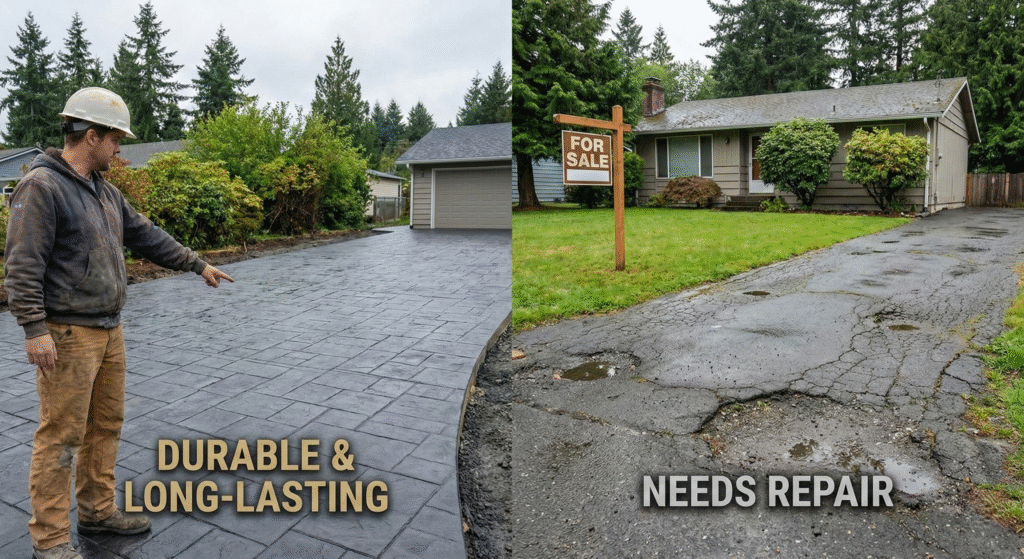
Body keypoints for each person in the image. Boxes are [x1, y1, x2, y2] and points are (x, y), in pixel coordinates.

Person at [4, 87, 235, 559]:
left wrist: (196, 264)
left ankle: (97, 510)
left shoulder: (105, 192)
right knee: (61, 436)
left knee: (105, 424)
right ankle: (50, 540)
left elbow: (146, 234)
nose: (119, 149)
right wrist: (34, 329)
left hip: (110, 329)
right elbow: (22, 265)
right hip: (68, 335)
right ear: (91, 135)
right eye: (115, 139)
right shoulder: (42, 186)